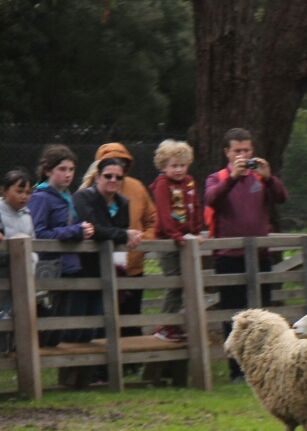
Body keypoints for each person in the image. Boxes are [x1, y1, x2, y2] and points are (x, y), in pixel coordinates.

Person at [205, 128, 288, 382]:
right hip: (228, 256)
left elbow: (282, 198)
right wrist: (232, 178)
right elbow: (210, 199)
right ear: (227, 152)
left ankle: (264, 366)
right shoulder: (217, 178)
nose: (243, 155)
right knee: (233, 315)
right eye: (238, 151)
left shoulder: (260, 179)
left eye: (247, 150)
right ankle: (237, 370)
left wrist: (269, 177)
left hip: (260, 255)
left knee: (262, 313)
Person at [80, 144, 157, 336]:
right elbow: (93, 228)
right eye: (108, 174)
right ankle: (99, 364)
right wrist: (123, 236)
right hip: (99, 267)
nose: (114, 178)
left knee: (131, 318)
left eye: (122, 165)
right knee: (101, 319)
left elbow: (153, 220)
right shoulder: (87, 193)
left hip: (133, 266)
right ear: (99, 171)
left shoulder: (136, 188)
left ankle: (132, 365)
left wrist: (141, 240)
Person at [28, 145, 95, 348]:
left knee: (57, 332)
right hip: (49, 268)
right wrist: (75, 231)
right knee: (45, 331)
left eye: (71, 170)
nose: (68, 175)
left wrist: (82, 231)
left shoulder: (66, 197)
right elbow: (39, 234)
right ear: (48, 170)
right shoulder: (40, 197)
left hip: (68, 266)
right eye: (62, 169)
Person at [150, 139, 202, 342]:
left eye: (182, 165)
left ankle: (175, 323)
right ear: (164, 166)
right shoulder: (163, 184)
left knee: (186, 282)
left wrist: (196, 230)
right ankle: (165, 325)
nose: (179, 170)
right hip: (169, 240)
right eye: (174, 166)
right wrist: (174, 235)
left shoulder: (189, 181)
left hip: (186, 238)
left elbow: (195, 206)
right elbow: (164, 212)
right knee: (174, 282)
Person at [0, 169, 36, 353]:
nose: (24, 196)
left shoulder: (27, 217)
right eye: (19, 191)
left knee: (16, 313)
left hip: (21, 276)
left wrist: (32, 262)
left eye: (28, 192)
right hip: (2, 273)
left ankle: (13, 349)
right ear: (3, 191)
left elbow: (33, 244)